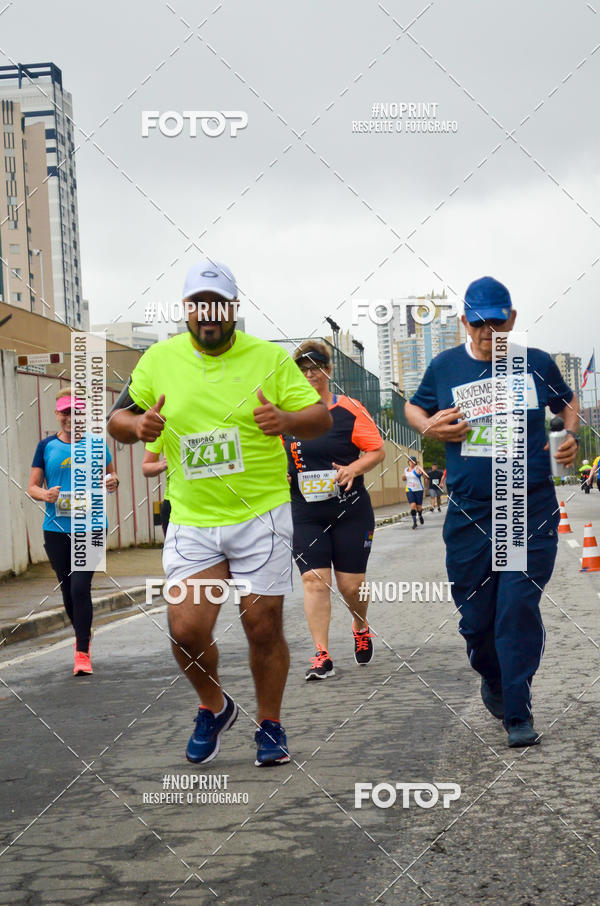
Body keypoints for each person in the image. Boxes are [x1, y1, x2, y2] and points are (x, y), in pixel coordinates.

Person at [107, 259, 331, 767]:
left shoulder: (269, 358)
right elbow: (118, 418)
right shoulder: (159, 360)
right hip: (193, 517)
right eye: (197, 304)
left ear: (232, 308)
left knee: (262, 625)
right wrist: (137, 426)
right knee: (185, 629)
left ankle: (270, 724)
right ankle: (214, 705)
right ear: (187, 310)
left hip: (262, 513)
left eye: (216, 304)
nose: (206, 315)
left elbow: (319, 418)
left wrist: (287, 419)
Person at [405, 276, 579, 748]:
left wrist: (570, 437)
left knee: (516, 608)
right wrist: (431, 426)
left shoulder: (536, 363)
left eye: (497, 323)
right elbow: (413, 409)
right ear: (464, 322)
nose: (489, 332)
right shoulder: (445, 367)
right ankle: (494, 676)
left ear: (512, 319)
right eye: (479, 324)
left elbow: (565, 403)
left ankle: (518, 709)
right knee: (476, 620)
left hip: (528, 505)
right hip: (471, 512)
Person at [283, 341, 385, 680]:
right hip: (305, 511)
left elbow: (377, 450)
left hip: (349, 510)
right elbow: (269, 452)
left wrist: (353, 469)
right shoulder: (286, 413)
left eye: (317, 367)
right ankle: (322, 654)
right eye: (303, 368)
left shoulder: (349, 409)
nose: (310, 373)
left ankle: (360, 624)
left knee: (351, 586)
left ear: (329, 370)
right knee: (314, 581)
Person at [28, 388, 119, 675]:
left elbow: (111, 476)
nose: (71, 417)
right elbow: (32, 486)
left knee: (81, 587)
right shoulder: (46, 447)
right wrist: (46, 495)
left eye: (76, 412)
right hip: (56, 529)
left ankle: (82, 651)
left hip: (91, 527)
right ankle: (83, 635)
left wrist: (113, 482)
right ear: (57, 415)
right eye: (66, 412)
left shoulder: (97, 444)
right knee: (68, 591)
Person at [142, 438, 171, 535]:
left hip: (216, 503)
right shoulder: (163, 424)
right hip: (175, 505)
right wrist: (163, 464)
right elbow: (146, 467)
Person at [403, 456, 428, 529]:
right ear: (408, 462)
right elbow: (403, 478)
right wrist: (404, 476)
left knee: (419, 507)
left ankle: (420, 515)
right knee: (413, 506)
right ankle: (414, 522)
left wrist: (425, 487)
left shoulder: (418, 469)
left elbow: (426, 477)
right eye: (410, 461)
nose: (411, 463)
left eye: (413, 461)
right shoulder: (406, 470)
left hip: (418, 490)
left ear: (415, 462)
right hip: (409, 490)